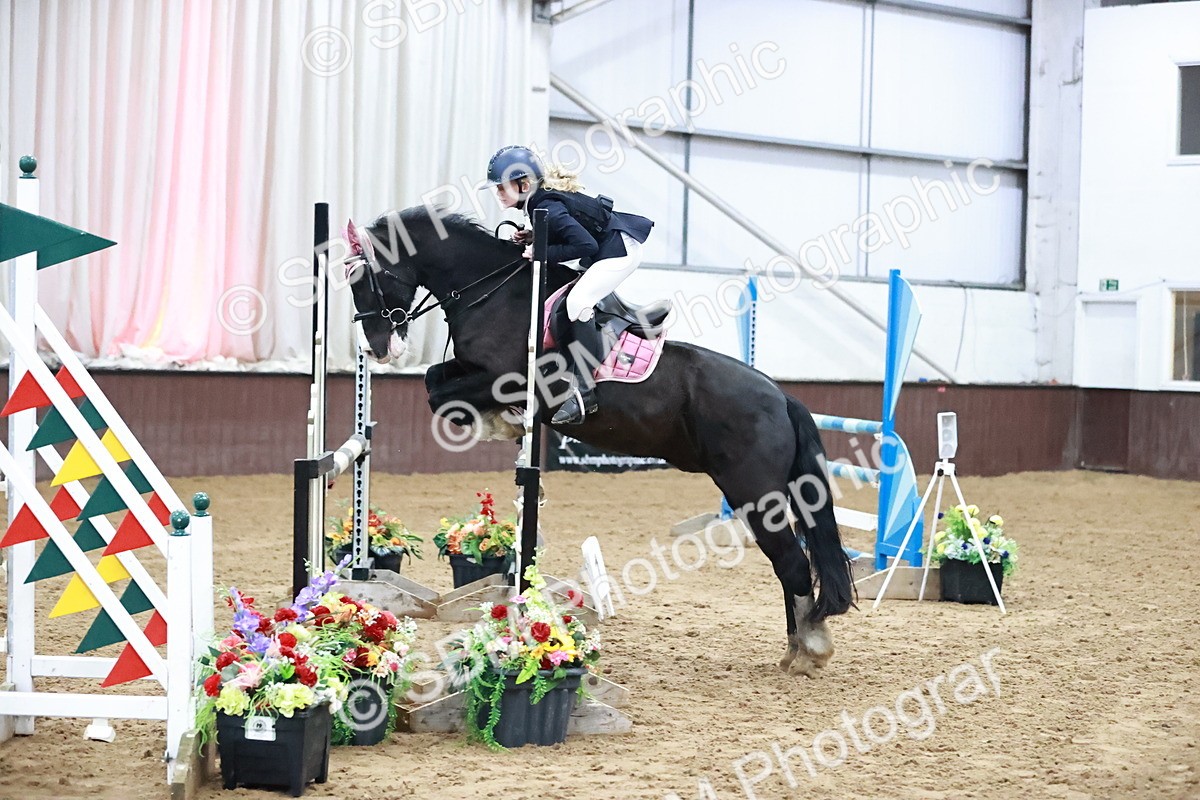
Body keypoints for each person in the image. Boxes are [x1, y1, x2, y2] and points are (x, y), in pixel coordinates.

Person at [486, 145, 655, 425]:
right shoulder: (538, 204)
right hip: (603, 247)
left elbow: (583, 244)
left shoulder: (545, 205)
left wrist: (541, 252)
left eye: (502, 186)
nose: (498, 192)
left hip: (619, 251)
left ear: (524, 184)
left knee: (578, 303)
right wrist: (534, 236)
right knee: (565, 299)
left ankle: (586, 392)